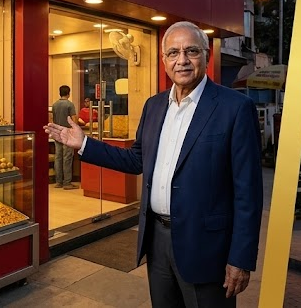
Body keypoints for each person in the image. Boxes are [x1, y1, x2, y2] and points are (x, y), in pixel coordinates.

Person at [45, 21, 262, 307]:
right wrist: (85, 145)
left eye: (191, 51)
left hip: (207, 247)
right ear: (163, 61)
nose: (181, 60)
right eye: (173, 53)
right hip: (157, 241)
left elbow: (248, 192)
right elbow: (136, 160)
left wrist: (240, 257)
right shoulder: (154, 105)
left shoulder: (235, 108)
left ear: (206, 55)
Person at [50, 85, 78, 189]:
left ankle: (58, 182)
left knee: (58, 157)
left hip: (57, 133)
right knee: (67, 157)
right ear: (68, 93)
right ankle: (67, 183)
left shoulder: (55, 105)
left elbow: (52, 118)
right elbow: (74, 119)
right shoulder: (69, 105)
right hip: (67, 133)